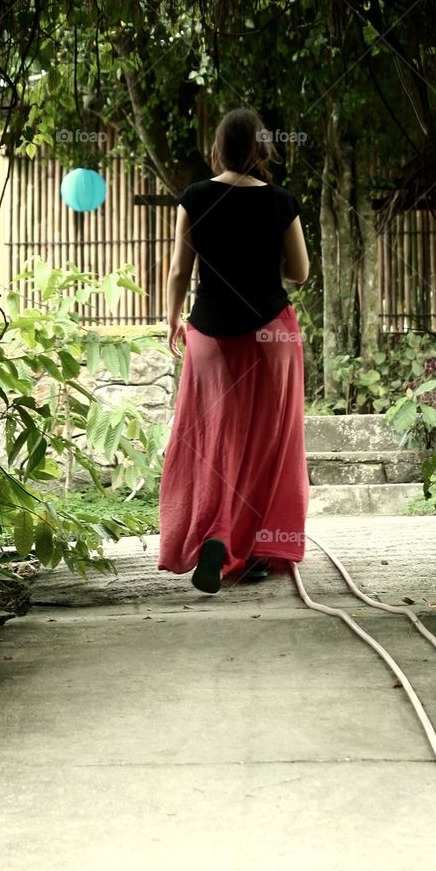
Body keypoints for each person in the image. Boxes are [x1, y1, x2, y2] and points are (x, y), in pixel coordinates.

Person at [156, 107, 310, 594]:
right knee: (271, 441)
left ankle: (215, 537)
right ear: (261, 147)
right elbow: (300, 272)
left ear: (219, 147)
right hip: (272, 334)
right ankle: (260, 548)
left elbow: (180, 270)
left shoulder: (195, 198)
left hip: (209, 336)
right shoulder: (282, 202)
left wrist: (172, 318)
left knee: (214, 442)